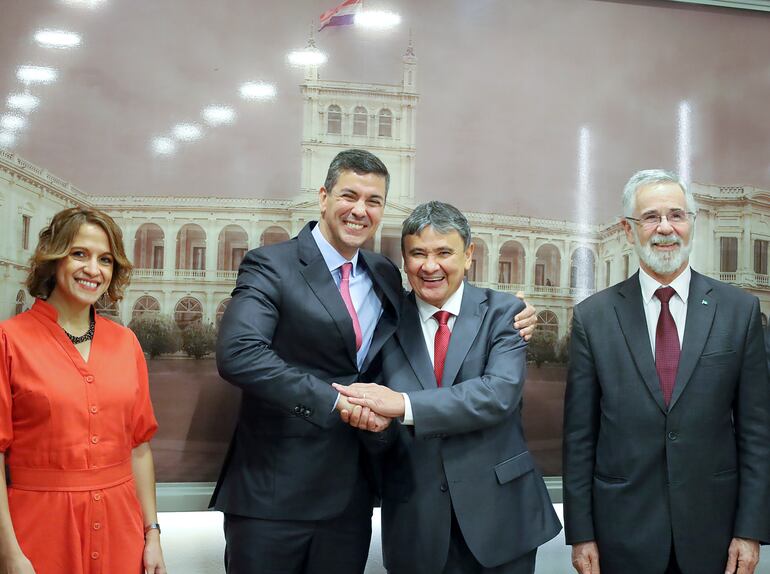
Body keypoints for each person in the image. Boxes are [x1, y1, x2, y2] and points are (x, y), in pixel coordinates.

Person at [212, 150, 539, 574]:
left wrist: (509, 310)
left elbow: (452, 315)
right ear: (324, 197)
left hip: (351, 496)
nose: (360, 211)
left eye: (374, 201)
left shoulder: (382, 274)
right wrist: (336, 403)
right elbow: (239, 354)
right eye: (350, 195)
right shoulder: (271, 264)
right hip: (274, 492)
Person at [335, 201, 561, 574]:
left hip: (501, 519)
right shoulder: (382, 323)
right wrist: (375, 427)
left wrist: (404, 405)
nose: (430, 266)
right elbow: (377, 422)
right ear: (405, 260)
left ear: (468, 255)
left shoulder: (504, 313)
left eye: (444, 253)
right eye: (418, 254)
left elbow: (497, 395)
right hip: (416, 521)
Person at [563, 169, 770, 574]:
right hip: (621, 533)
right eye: (651, 217)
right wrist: (581, 533)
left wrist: (750, 530)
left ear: (691, 222)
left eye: (677, 215)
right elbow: (579, 438)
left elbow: (756, 434)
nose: (665, 229)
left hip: (714, 533)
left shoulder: (739, 311)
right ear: (628, 229)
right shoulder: (594, 317)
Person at [0, 207, 166, 574]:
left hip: (122, 530)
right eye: (80, 254)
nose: (93, 269)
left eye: (105, 260)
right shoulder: (9, 340)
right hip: (38, 533)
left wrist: (152, 534)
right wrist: (9, 552)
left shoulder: (126, 343)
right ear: (54, 257)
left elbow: (139, 447)